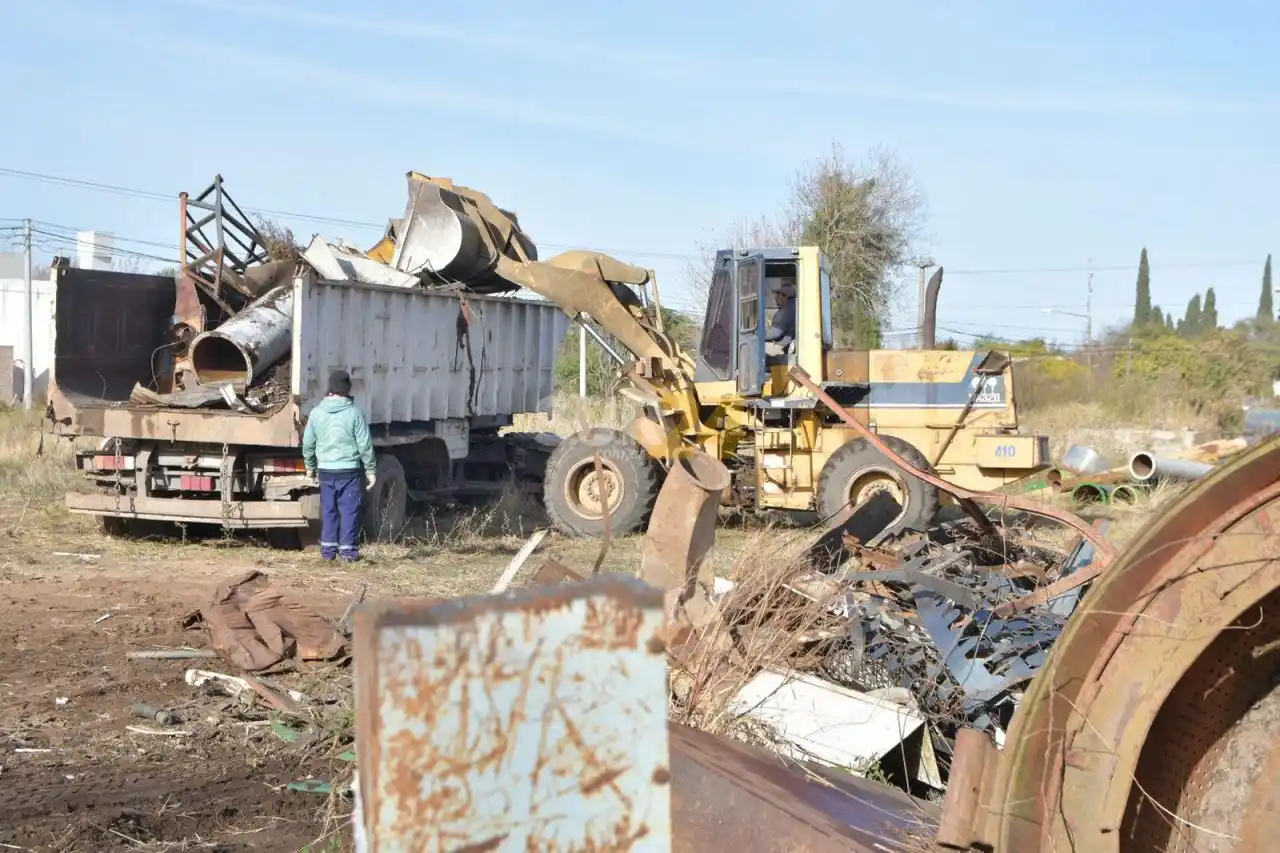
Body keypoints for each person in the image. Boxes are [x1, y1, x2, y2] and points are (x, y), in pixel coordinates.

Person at [302, 370, 377, 562]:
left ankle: (328, 552)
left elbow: (308, 443)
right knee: (349, 511)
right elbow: (365, 444)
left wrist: (310, 467)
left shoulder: (317, 413)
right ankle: (348, 553)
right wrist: (370, 470)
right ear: (348, 389)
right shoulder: (354, 413)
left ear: (330, 388)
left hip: (326, 470)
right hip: (349, 471)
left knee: (329, 510)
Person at [766, 282, 796, 350]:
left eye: (778, 295)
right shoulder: (793, 308)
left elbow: (775, 334)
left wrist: (758, 335)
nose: (775, 297)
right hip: (786, 346)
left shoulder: (786, 312)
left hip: (781, 347)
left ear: (785, 297)